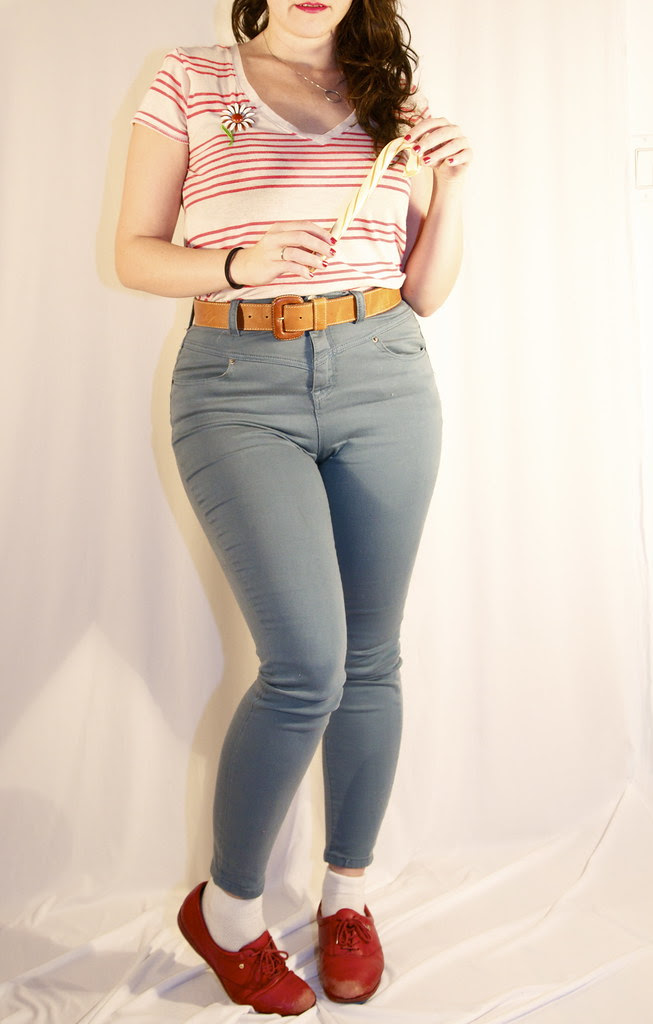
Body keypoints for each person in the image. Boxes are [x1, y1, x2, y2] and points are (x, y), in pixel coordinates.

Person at [116, 0, 471, 1014]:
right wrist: (238, 262)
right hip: (237, 383)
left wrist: (450, 189)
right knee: (306, 663)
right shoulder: (194, 82)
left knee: (370, 654)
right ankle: (226, 909)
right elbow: (134, 252)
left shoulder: (386, 95)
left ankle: (345, 897)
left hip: (383, 372)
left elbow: (427, 289)